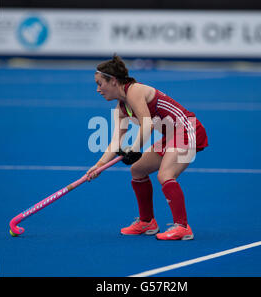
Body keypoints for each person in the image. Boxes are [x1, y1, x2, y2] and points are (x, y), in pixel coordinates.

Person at [86, 55, 208, 240]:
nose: (97, 89)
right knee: (137, 170)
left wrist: (134, 148)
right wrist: (99, 165)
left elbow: (147, 124)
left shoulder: (134, 91)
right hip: (171, 135)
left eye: (100, 83)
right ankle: (147, 222)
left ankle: (182, 227)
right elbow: (116, 141)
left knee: (165, 175)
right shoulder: (121, 108)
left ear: (113, 81)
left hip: (187, 128)